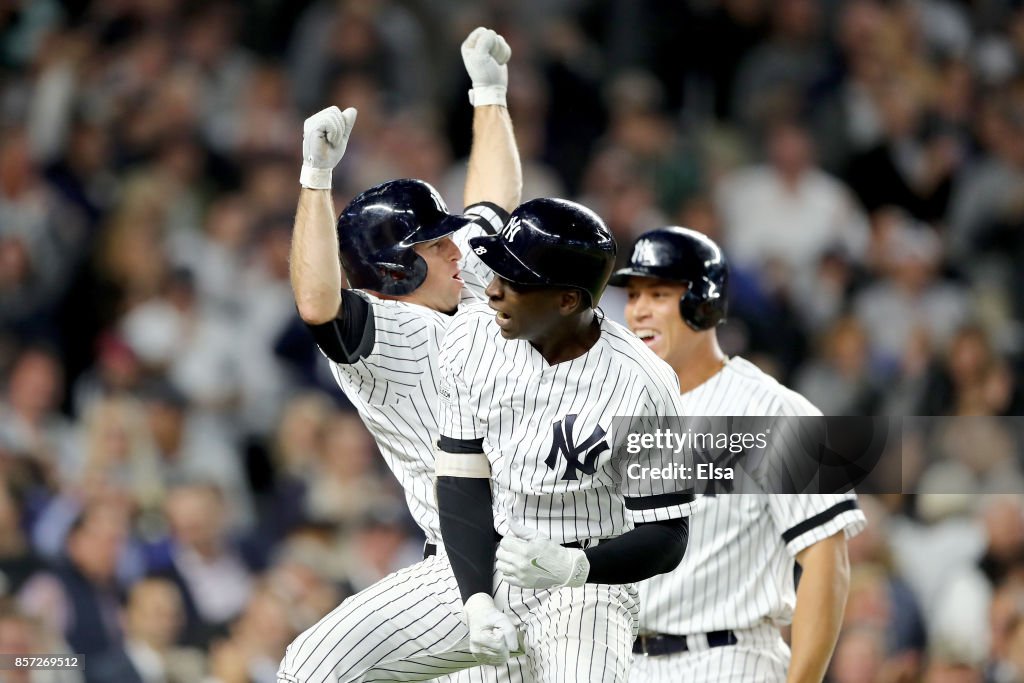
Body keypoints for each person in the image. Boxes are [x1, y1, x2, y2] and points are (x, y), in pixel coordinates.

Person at [277, 26, 527, 682]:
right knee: (310, 666)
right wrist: (314, 181)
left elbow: (493, 205)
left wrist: (489, 94)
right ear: (392, 270)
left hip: (531, 546)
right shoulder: (383, 331)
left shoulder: (461, 276)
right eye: (432, 244)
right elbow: (314, 301)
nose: (453, 248)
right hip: (477, 561)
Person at [435, 198, 695, 681]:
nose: (491, 291)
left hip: (588, 581)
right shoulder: (471, 340)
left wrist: (574, 566)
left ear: (568, 300)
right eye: (494, 274)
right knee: (315, 662)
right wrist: (475, 598)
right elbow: (461, 481)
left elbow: (668, 535)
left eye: (512, 283)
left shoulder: (644, 382)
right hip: (483, 561)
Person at [608, 226, 867, 683]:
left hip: (727, 659)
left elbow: (827, 561)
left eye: (658, 294)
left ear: (702, 303)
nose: (639, 311)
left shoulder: (775, 412)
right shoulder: (615, 409)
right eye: (633, 295)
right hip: (622, 663)